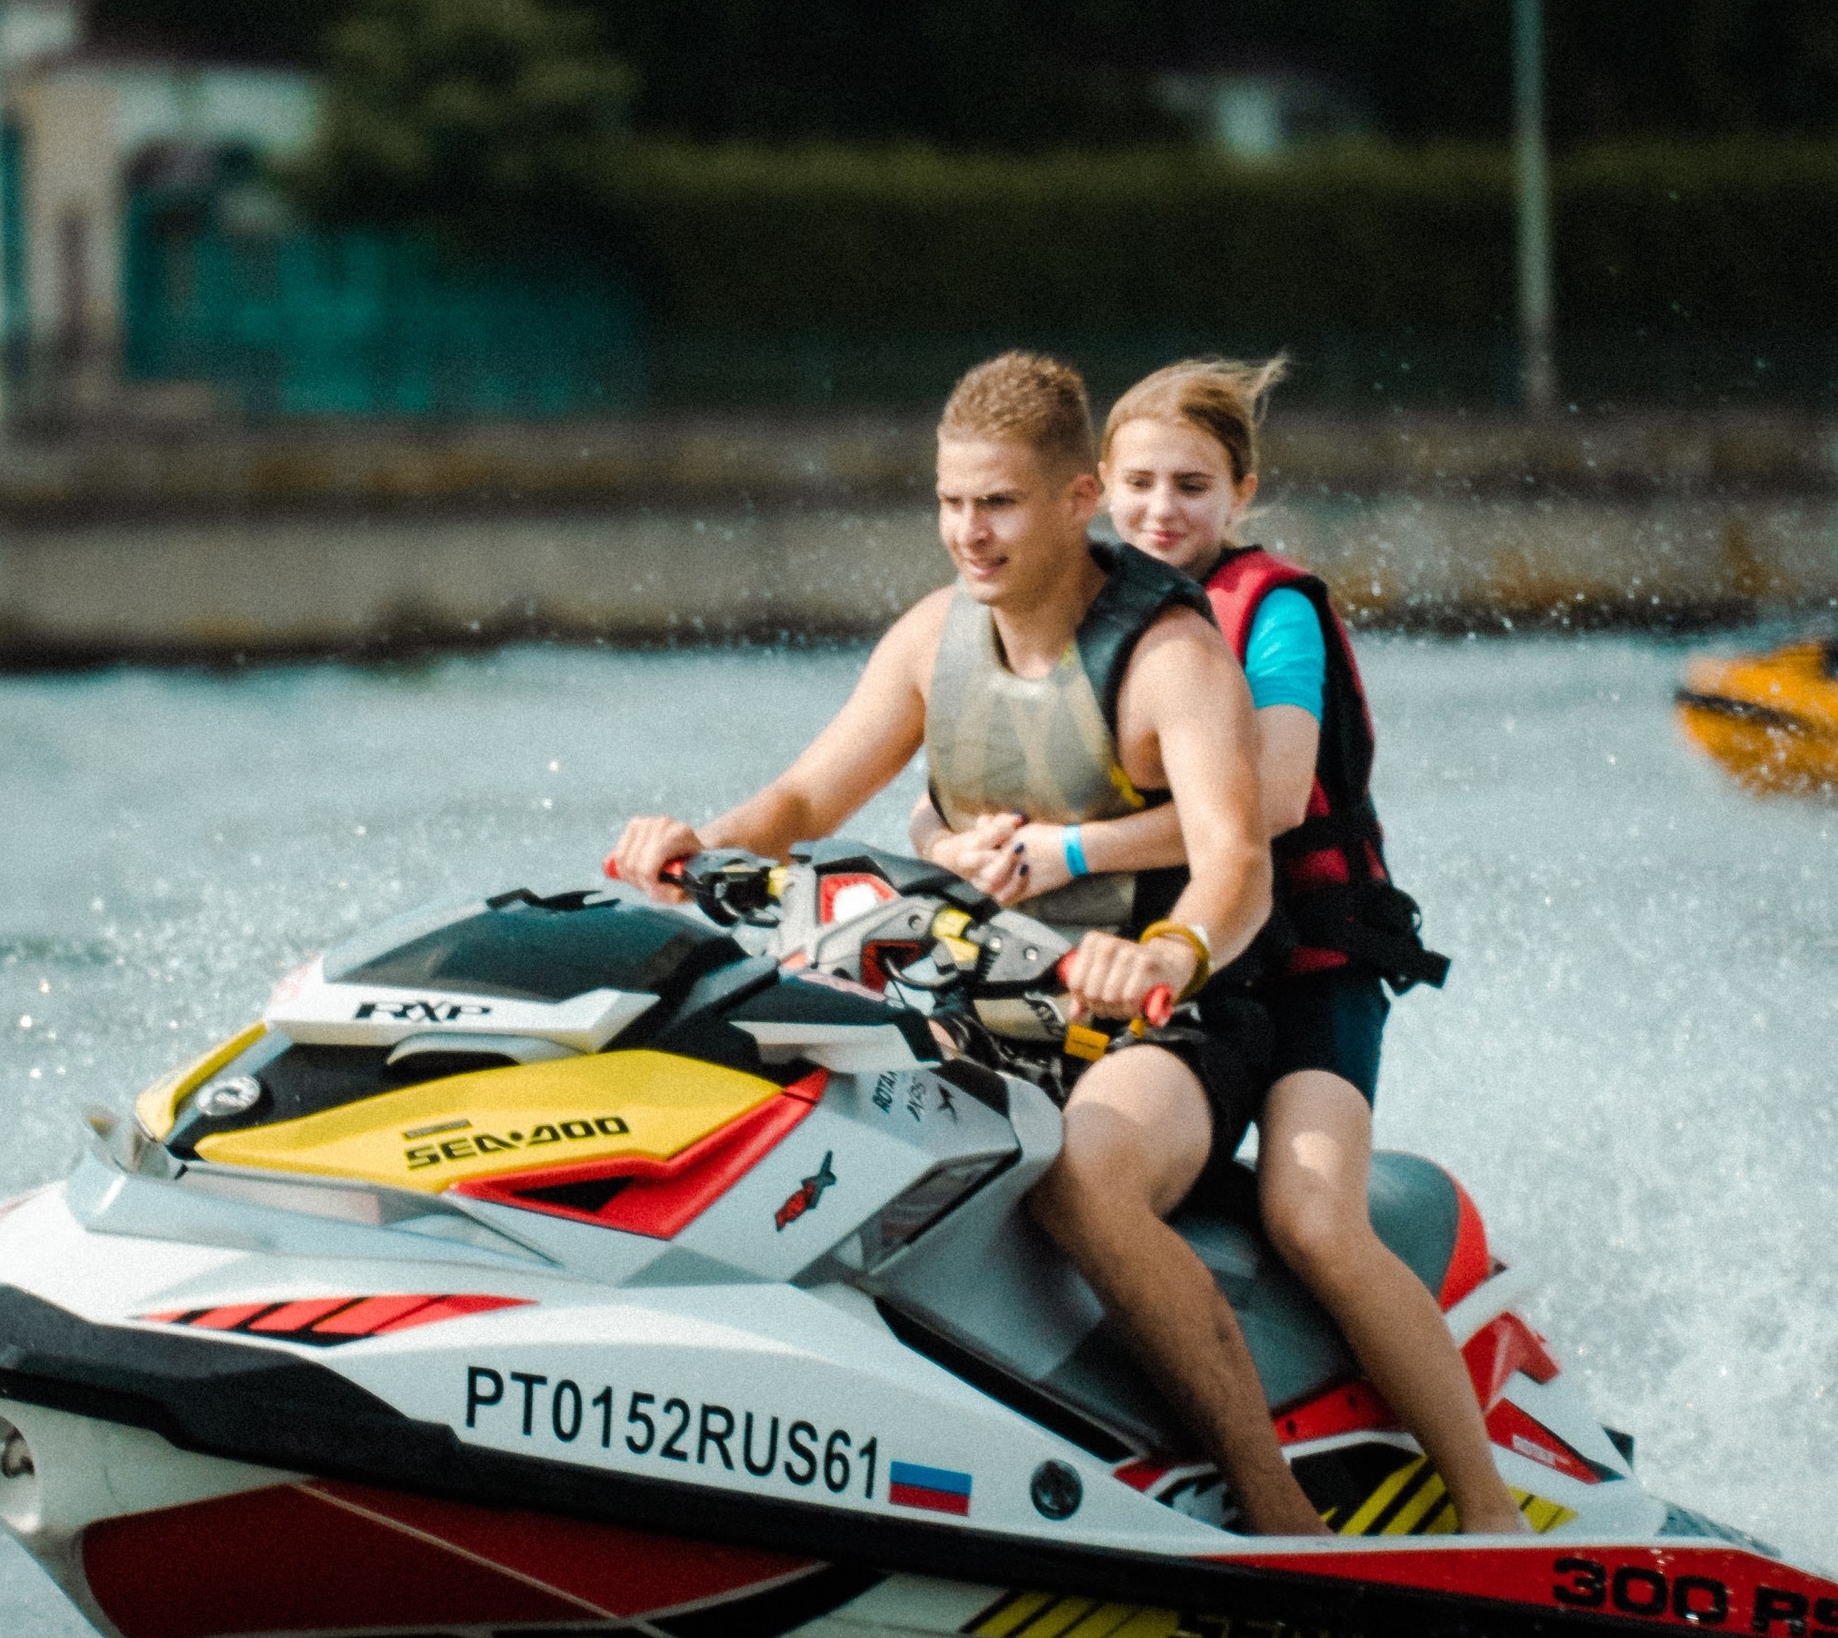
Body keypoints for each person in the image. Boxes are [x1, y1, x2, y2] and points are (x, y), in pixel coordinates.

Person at [609, 348, 1329, 1540]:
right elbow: (799, 803)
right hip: (983, 995)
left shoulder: (1169, 660)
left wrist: (1164, 958)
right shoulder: (930, 639)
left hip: (1168, 1022)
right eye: (950, 502)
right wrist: (699, 841)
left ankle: (1272, 1503)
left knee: (1083, 1173)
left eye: (996, 503)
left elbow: (1236, 866)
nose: (969, 533)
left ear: (1072, 500)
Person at [938, 354, 1523, 1541]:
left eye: (1193, 485)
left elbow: (1271, 798)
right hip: (1174, 973)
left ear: (1242, 492)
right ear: (1097, 489)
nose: (1163, 511)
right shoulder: (1082, 618)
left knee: (1314, 1219)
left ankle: (1487, 1507)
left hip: (1308, 970)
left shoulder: (1271, 612)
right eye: (1141, 483)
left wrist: (1069, 851)